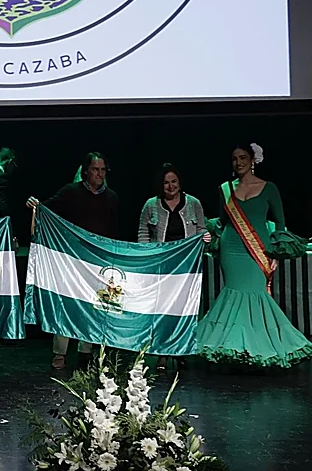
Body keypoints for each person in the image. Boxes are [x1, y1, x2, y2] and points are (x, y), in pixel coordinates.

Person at [195, 144, 312, 367]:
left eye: (243, 158)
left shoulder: (269, 188)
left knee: (256, 296)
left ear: (253, 160)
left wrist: (277, 251)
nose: (238, 162)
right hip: (231, 248)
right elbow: (223, 221)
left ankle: (259, 349)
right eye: (234, 159)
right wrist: (209, 235)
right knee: (233, 295)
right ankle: (233, 349)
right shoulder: (225, 189)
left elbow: (280, 223)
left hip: (259, 251)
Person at [27, 152, 119, 370]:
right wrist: (34, 205)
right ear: (85, 171)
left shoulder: (112, 197)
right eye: (95, 169)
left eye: (103, 170)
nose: (99, 174)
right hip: (71, 261)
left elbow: (115, 232)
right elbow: (45, 210)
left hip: (97, 263)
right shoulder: (71, 192)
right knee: (66, 305)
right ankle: (60, 352)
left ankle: (86, 351)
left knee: (93, 305)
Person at [137, 163, 211, 371]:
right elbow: (143, 234)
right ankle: (161, 354)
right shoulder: (151, 205)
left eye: (174, 182)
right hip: (161, 267)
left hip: (186, 267)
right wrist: (148, 259)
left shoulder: (193, 203)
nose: (170, 186)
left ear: (180, 183)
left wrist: (205, 239)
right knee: (161, 310)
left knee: (183, 310)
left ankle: (180, 352)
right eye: (166, 183)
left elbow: (202, 231)